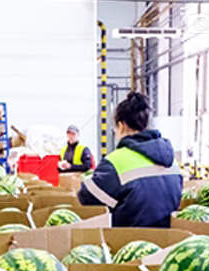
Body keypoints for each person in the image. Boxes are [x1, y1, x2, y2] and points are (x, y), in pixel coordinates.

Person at [77, 92, 182, 228]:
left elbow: (86, 198)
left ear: (121, 125)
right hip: (169, 243)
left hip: (128, 243)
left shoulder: (116, 161)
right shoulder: (172, 160)